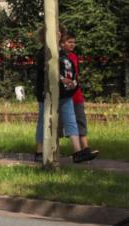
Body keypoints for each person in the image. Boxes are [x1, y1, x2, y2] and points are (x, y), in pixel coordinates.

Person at [33, 26, 97, 163]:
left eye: (60, 31)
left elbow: (69, 69)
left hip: (65, 94)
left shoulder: (63, 53)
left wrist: (73, 82)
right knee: (44, 122)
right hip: (47, 94)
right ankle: (39, 151)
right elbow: (47, 70)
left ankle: (78, 152)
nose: (59, 33)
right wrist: (63, 79)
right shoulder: (43, 52)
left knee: (71, 120)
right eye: (56, 31)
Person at [61, 31, 97, 155]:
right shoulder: (60, 57)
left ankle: (85, 148)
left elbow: (76, 74)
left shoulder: (74, 57)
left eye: (74, 42)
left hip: (76, 93)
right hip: (65, 94)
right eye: (69, 42)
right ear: (62, 43)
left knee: (80, 119)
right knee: (62, 123)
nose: (72, 45)